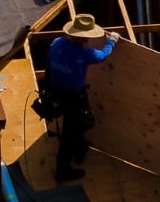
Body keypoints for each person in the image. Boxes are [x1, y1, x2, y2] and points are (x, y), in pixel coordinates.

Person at [45, 14, 119, 181]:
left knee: (76, 123)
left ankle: (79, 149)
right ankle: (63, 171)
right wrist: (112, 41)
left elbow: (49, 66)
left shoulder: (56, 43)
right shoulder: (85, 54)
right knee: (72, 130)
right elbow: (102, 56)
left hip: (56, 91)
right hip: (74, 96)